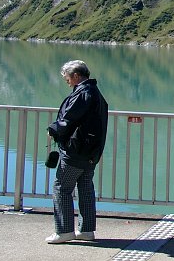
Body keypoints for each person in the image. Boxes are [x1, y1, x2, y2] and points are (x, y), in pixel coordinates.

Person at [45, 60, 109, 244]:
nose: (66, 80)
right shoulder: (94, 92)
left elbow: (69, 119)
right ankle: (86, 230)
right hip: (91, 152)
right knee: (85, 188)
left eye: (67, 77)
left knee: (62, 188)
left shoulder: (83, 93)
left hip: (77, 151)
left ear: (75, 76)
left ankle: (64, 231)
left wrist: (53, 129)